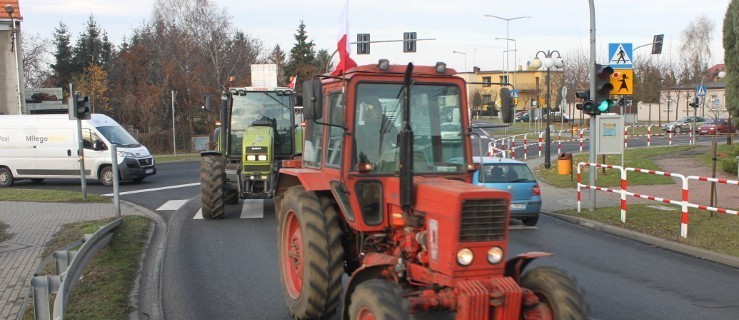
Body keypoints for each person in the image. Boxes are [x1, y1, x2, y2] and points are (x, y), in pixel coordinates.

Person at [355, 96, 398, 166]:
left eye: (379, 109)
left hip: (386, 161)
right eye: (374, 109)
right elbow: (357, 152)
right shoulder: (360, 129)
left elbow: (398, 140)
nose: (378, 112)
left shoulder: (386, 124)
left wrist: (387, 123)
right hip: (367, 163)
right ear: (367, 112)